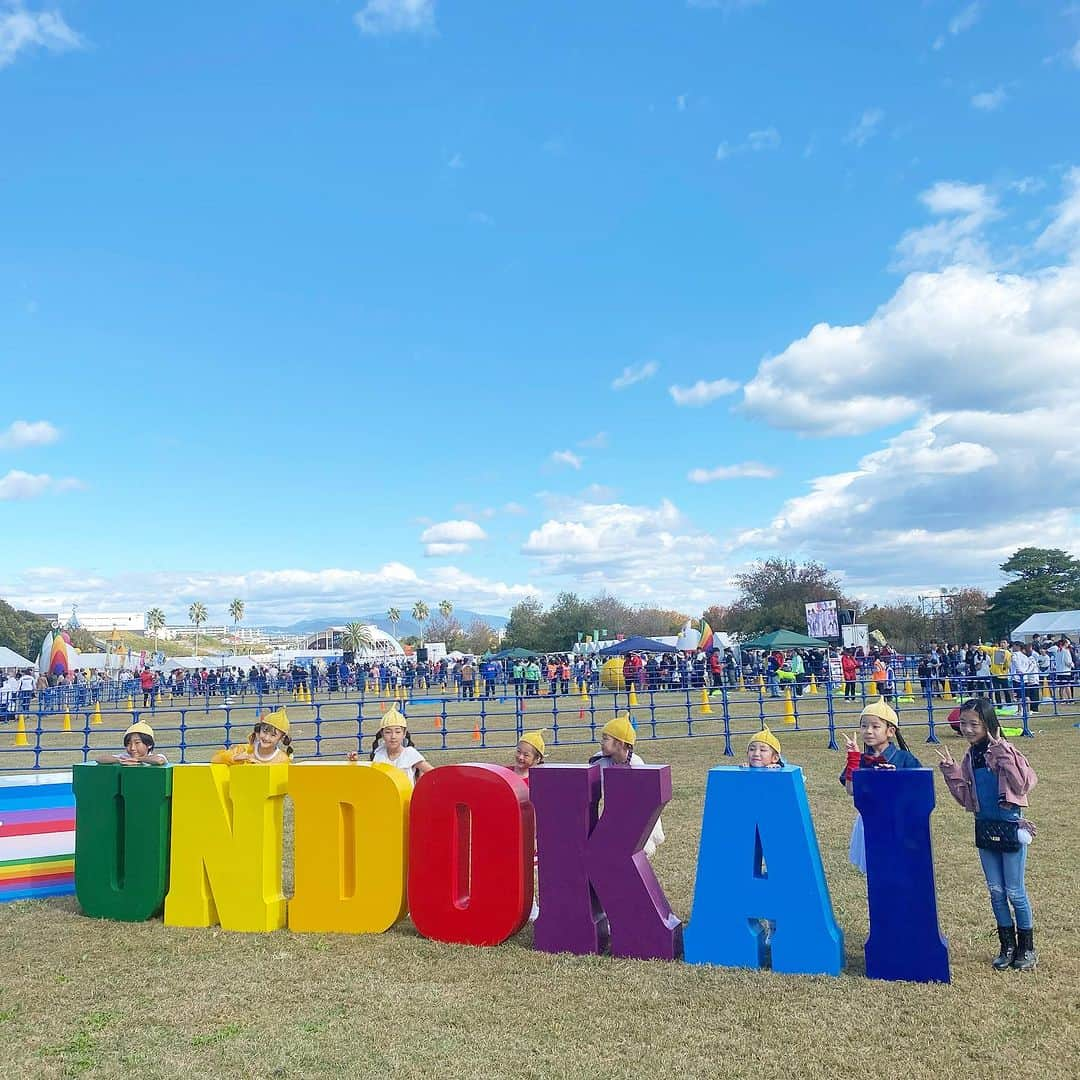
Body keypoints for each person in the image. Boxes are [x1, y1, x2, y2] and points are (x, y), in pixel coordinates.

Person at [935, 698, 1038, 971]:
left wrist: (1003, 751)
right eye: (963, 723)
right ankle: (1006, 946)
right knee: (995, 891)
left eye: (974, 724)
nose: (967, 729)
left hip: (1010, 827)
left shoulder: (1005, 750)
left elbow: (1024, 782)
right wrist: (952, 773)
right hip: (985, 827)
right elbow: (968, 798)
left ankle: (1026, 948)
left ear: (988, 724)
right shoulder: (970, 757)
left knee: (1015, 891)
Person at [839, 700, 922, 873]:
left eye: (875, 726)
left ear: (890, 731)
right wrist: (853, 758)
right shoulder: (861, 760)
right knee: (874, 872)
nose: (868, 731)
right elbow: (851, 790)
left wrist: (895, 779)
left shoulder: (905, 759)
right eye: (864, 726)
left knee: (899, 869)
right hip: (868, 820)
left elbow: (918, 791)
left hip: (898, 822)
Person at [588, 714, 665, 858]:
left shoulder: (636, 764)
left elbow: (646, 800)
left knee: (640, 849)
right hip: (615, 811)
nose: (601, 742)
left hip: (635, 811)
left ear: (620, 743)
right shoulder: (599, 761)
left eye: (606, 738)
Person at [348, 706, 432, 786]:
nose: (393, 736)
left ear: (404, 734)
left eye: (398, 732)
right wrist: (355, 762)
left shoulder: (410, 754)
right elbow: (368, 777)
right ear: (382, 734)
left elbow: (433, 773)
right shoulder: (379, 753)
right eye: (388, 732)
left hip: (406, 800)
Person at [212, 709, 293, 765]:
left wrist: (260, 768)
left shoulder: (283, 759)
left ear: (281, 738)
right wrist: (234, 758)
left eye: (273, 735)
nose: (266, 738)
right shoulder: (243, 749)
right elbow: (215, 759)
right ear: (258, 730)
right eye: (264, 732)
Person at [93, 721, 169, 766]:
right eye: (128, 743)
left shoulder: (155, 757)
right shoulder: (125, 757)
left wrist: (137, 759)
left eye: (137, 743)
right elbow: (99, 759)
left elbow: (159, 760)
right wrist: (118, 760)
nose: (132, 748)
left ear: (149, 744)